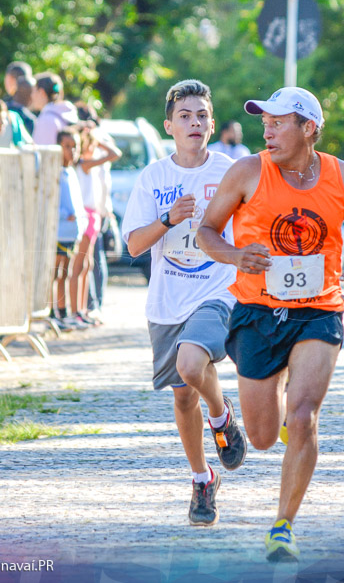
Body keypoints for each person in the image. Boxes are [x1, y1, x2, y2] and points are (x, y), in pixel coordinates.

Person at [196, 86, 344, 562]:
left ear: (309, 128)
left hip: (319, 309)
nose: (268, 130)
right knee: (261, 437)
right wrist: (237, 255)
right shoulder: (247, 171)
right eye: (265, 122)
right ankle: (254, 416)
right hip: (257, 311)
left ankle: (283, 525)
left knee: (302, 417)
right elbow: (206, 233)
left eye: (279, 122)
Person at [122, 79, 247, 528]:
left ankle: (222, 416)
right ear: (169, 126)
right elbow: (134, 245)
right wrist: (167, 218)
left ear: (212, 125)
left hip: (217, 290)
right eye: (185, 116)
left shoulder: (231, 171)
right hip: (166, 301)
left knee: (193, 365)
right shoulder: (154, 177)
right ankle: (202, 478)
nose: (194, 123)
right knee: (180, 399)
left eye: (201, 116)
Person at [71, 122, 121, 327]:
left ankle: (83, 309)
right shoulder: (83, 163)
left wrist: (95, 139)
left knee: (87, 265)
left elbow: (114, 154)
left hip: (93, 216)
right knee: (80, 265)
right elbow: (113, 154)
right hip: (85, 215)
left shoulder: (89, 164)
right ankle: (77, 310)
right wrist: (95, 139)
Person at [54, 130, 89, 330]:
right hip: (59, 231)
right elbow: (50, 200)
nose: (71, 150)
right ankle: (55, 312)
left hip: (72, 232)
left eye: (74, 146)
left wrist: (81, 221)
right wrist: (62, 215)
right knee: (56, 273)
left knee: (66, 272)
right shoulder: (55, 173)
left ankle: (63, 311)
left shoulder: (72, 172)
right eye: (66, 146)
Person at [30, 72, 78, 145]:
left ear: (41, 92)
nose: (31, 96)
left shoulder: (46, 120)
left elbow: (42, 154)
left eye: (33, 91)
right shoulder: (69, 113)